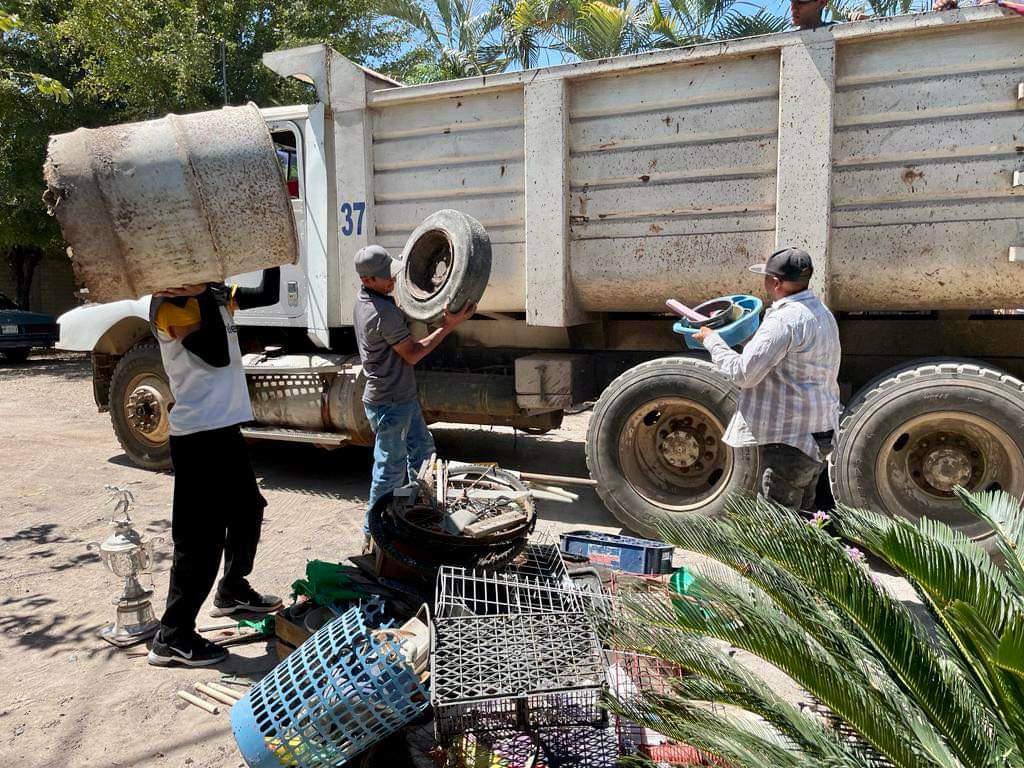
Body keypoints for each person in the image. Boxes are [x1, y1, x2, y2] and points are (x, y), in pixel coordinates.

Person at [146, 268, 283, 667]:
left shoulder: (211, 293)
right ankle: (172, 637)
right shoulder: (171, 303)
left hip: (224, 428)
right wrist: (206, 293)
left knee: (247, 510)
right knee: (200, 540)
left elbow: (267, 293)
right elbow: (215, 351)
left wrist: (272, 254)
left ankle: (232, 589)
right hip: (197, 435)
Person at [693, 247, 841, 512]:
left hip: (789, 439)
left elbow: (743, 374)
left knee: (777, 529)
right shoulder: (821, 312)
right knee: (802, 519)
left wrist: (712, 341)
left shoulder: (783, 319)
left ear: (775, 283)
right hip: (818, 433)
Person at [353, 245, 475, 549]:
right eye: (386, 278)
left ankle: (410, 512)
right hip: (389, 403)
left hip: (401, 398)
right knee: (389, 471)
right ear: (368, 280)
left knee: (421, 453)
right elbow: (414, 354)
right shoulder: (381, 313)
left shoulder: (370, 299)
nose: (393, 280)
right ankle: (373, 533)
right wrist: (449, 326)